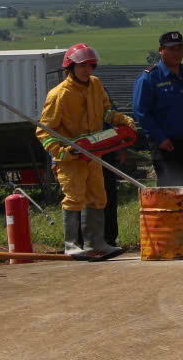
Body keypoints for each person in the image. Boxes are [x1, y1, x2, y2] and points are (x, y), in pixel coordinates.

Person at [37, 43, 136, 259]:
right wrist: (61, 152)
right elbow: (44, 131)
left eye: (90, 66)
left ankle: (96, 243)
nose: (87, 70)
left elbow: (106, 112)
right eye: (82, 66)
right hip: (70, 159)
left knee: (98, 197)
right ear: (70, 67)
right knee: (74, 198)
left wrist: (122, 120)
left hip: (94, 155)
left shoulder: (96, 85)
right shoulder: (58, 95)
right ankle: (71, 244)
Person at [132, 31, 183, 186]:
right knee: (170, 191)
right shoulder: (150, 78)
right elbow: (141, 112)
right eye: (171, 49)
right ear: (161, 50)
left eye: (179, 48)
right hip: (167, 147)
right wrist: (160, 138)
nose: (177, 53)